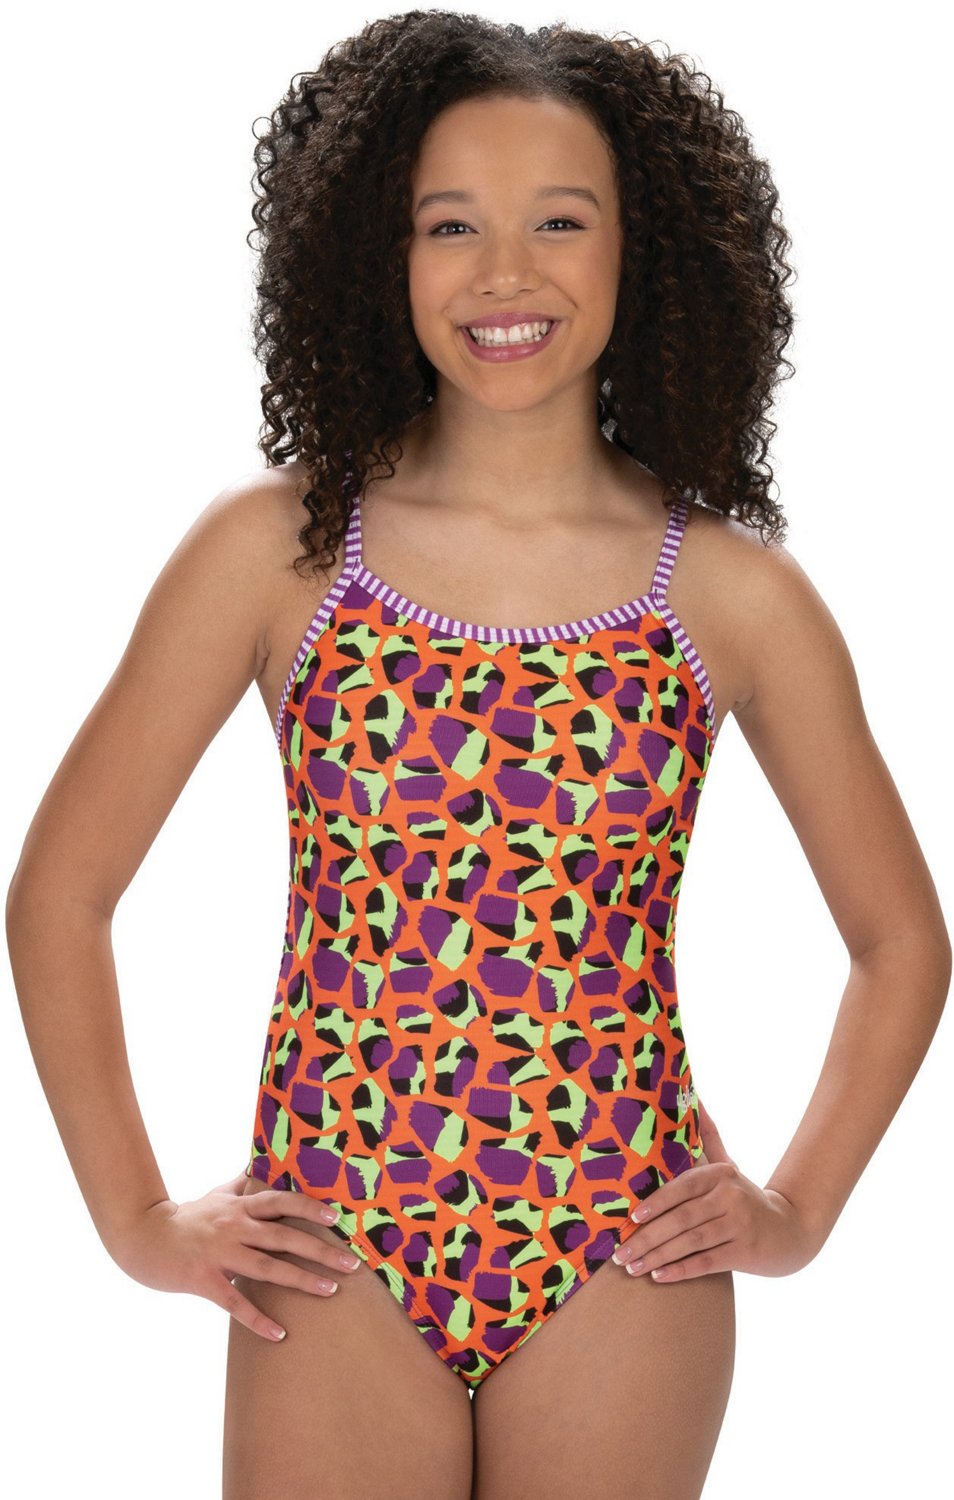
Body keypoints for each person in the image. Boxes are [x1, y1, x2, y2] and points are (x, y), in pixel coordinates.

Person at [6, 11, 950, 1500]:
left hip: (621, 1246)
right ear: (376, 256)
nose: (505, 273)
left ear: (643, 250)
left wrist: (795, 1209)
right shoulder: (281, 553)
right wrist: (133, 1220)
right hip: (335, 1236)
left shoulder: (729, 593)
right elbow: (60, 895)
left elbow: (900, 941)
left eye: (558, 221)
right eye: (450, 225)